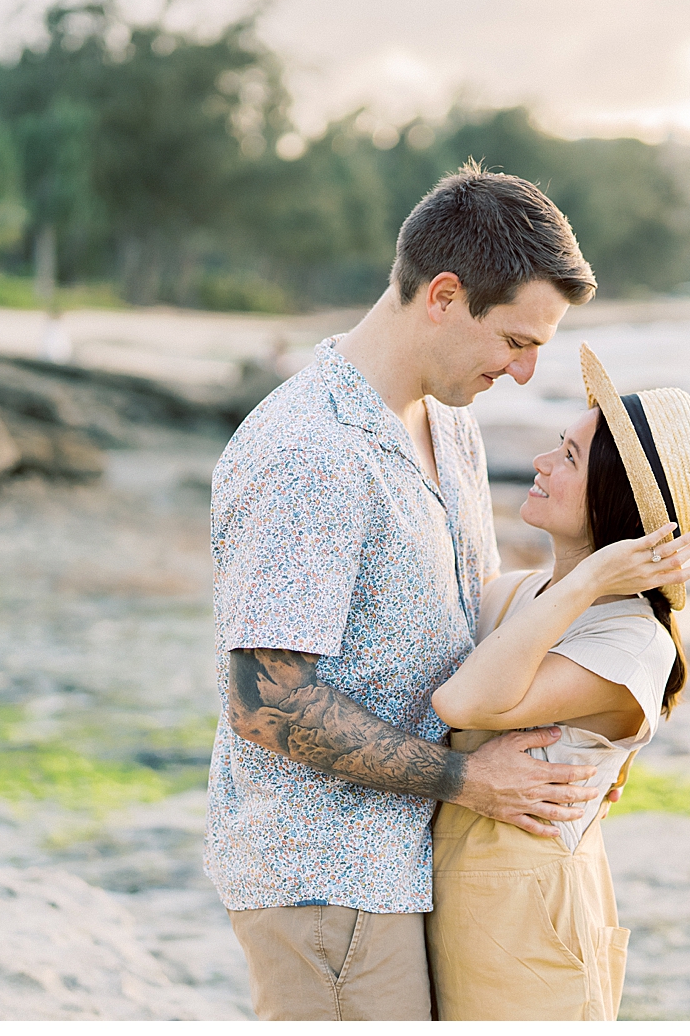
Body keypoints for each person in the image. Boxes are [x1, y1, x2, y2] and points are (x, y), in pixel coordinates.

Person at [207, 164, 614, 1021]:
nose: (526, 371)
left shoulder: (449, 420)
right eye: (515, 340)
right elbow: (266, 699)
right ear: (442, 295)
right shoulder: (312, 450)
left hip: (403, 859)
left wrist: (559, 740)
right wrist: (469, 779)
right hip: (328, 880)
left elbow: (459, 616)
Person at [426, 342, 690, 1020]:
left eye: (568, 457)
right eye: (558, 445)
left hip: (531, 932)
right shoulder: (524, 596)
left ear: (612, 500)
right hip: (467, 911)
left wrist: (593, 575)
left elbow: (463, 700)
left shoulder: (633, 641)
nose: (541, 463)